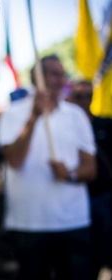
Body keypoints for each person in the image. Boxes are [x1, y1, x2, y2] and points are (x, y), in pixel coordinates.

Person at [0, 55, 96, 280]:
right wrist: (34, 117)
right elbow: (14, 160)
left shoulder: (76, 115)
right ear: (36, 77)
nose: (60, 79)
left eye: (62, 74)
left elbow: (90, 168)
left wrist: (69, 173)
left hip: (73, 221)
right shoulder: (12, 114)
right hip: (28, 223)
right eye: (53, 73)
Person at [68, 79, 112, 279]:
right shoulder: (64, 127)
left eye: (88, 95)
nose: (84, 100)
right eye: (79, 96)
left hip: (101, 197)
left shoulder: (104, 124)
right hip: (73, 198)